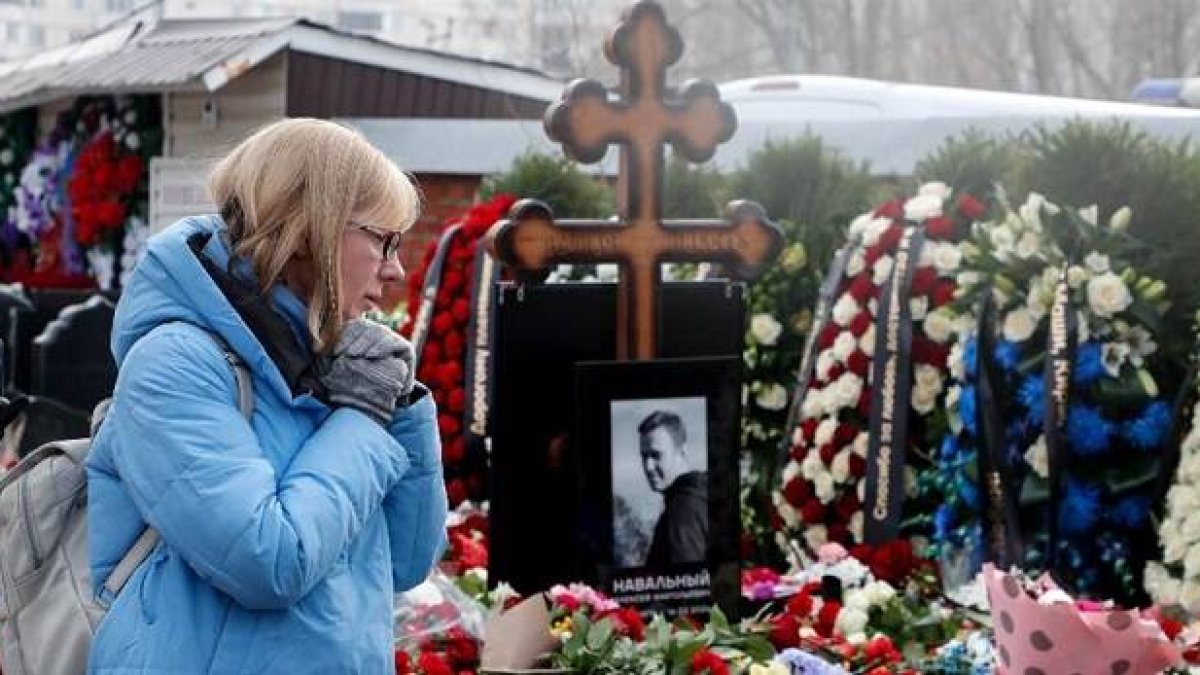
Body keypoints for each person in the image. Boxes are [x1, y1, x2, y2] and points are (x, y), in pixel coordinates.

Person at [85, 118, 447, 674]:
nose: (397, 269)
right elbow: (268, 561)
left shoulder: (331, 362)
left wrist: (402, 407)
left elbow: (405, 560)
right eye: (384, 240)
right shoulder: (174, 363)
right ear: (310, 230)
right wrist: (362, 420)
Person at [638, 410, 707, 566]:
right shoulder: (699, 497)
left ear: (682, 452)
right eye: (644, 456)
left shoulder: (683, 508)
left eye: (656, 455)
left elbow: (687, 582)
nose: (648, 467)